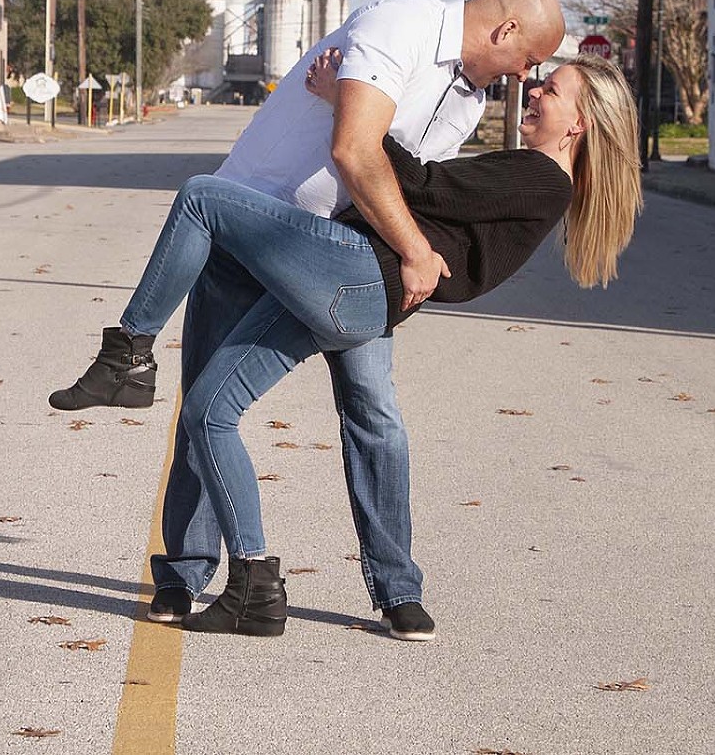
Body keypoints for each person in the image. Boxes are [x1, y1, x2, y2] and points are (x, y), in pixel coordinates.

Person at [50, 54, 642, 635]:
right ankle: (256, 584)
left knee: (204, 198)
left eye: (552, 89)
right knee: (210, 412)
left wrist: (346, 103)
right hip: (356, 291)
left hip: (352, 275)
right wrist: (420, 260)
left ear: (579, 123)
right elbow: (443, 226)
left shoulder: (539, 178)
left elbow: (426, 186)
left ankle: (127, 352)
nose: (534, 90)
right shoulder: (525, 170)